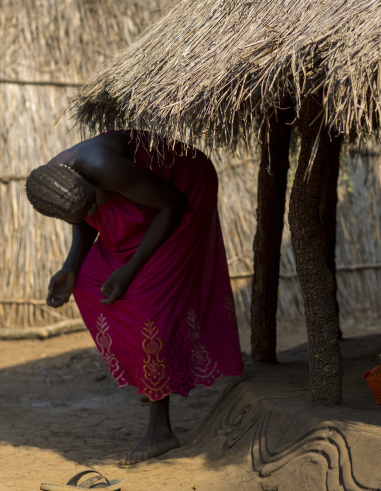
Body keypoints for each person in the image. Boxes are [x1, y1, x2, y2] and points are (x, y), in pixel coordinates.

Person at [25, 130, 243, 465]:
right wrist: (71, 267)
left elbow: (173, 204)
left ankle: (161, 430)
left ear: (90, 184)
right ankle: (150, 375)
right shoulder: (58, 182)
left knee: (146, 304)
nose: (92, 211)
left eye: (94, 202)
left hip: (183, 190)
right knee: (87, 282)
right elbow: (85, 216)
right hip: (140, 199)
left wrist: (130, 270)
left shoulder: (102, 166)